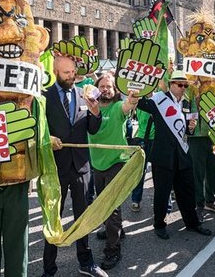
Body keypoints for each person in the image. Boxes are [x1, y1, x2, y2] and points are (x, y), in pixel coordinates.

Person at [44, 56, 107, 277]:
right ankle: (49, 269)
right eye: (66, 73)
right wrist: (47, 138)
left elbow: (93, 129)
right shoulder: (45, 97)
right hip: (56, 168)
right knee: (54, 219)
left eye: (72, 72)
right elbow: (37, 129)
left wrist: (96, 111)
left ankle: (86, 262)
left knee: (83, 217)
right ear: (55, 72)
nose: (71, 77)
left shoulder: (84, 93)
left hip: (81, 166)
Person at [137, 70, 212, 240]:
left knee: (187, 190)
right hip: (163, 155)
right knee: (162, 193)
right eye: (180, 84)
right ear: (171, 84)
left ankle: (192, 223)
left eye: (185, 85)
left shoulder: (185, 103)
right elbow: (141, 103)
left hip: (182, 154)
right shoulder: (159, 100)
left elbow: (184, 130)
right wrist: (137, 88)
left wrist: (190, 128)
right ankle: (159, 224)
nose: (183, 88)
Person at [87, 74, 138, 270]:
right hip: (97, 164)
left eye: (109, 86)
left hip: (117, 162)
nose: (106, 89)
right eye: (102, 86)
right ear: (96, 88)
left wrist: (133, 98)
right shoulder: (91, 108)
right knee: (104, 203)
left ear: (115, 90)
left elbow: (128, 106)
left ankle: (113, 250)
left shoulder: (118, 107)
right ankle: (118, 230)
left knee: (111, 206)